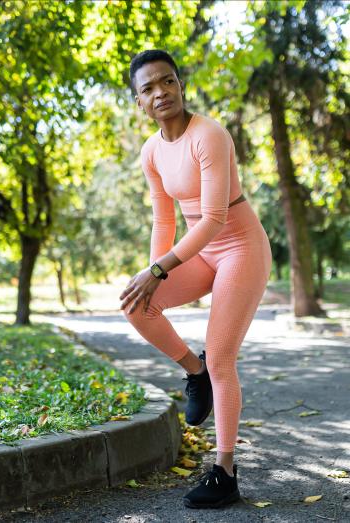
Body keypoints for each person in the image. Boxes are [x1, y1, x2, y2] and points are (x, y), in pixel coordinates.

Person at [119, 49, 272, 509]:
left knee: (224, 355)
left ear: (180, 85)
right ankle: (194, 370)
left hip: (240, 246)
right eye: (148, 88)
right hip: (200, 252)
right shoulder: (151, 151)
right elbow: (163, 220)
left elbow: (213, 218)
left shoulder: (209, 135)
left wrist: (160, 268)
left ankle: (225, 473)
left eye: (168, 81)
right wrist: (152, 275)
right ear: (139, 101)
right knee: (135, 304)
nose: (160, 92)